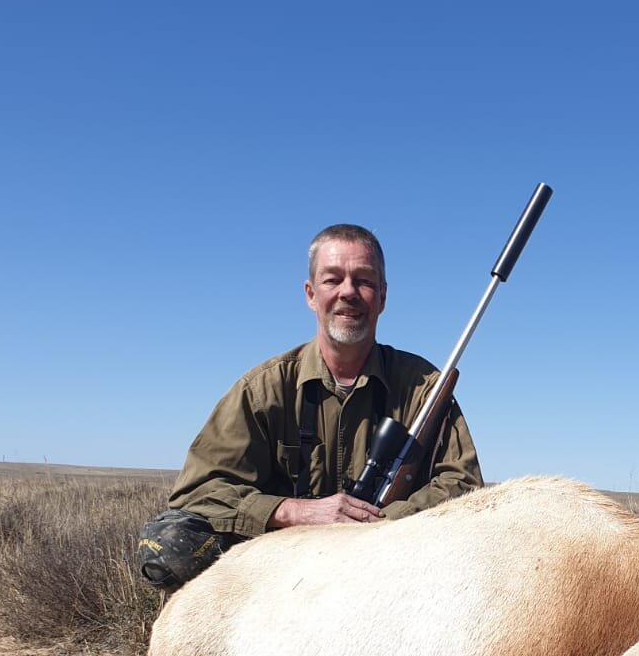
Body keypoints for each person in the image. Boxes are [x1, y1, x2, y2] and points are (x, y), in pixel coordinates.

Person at [136, 223, 483, 589]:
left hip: (389, 565)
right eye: (333, 280)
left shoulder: (425, 388)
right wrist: (293, 512)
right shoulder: (264, 388)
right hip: (282, 570)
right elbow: (199, 491)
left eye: (364, 281)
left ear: (381, 297)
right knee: (172, 544)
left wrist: (381, 522)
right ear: (310, 294)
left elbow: (463, 485)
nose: (348, 292)